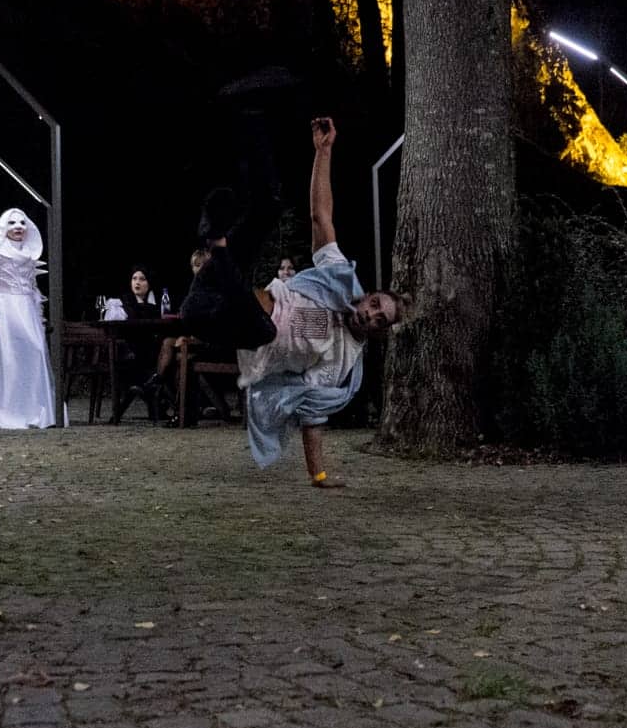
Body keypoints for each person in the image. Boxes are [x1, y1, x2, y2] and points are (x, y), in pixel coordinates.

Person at [181, 116, 406, 486]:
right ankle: (249, 118)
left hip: (221, 321)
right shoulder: (340, 281)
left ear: (379, 333)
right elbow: (321, 217)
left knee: (265, 329)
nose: (371, 315)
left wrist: (318, 473)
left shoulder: (343, 358)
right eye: (376, 305)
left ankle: (217, 248)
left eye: (380, 320)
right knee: (268, 207)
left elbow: (312, 411)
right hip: (217, 285)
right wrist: (324, 151)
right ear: (369, 296)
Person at [0, 209, 54, 430]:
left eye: (22, 223)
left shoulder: (30, 253)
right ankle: (9, 409)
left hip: (27, 307)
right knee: (9, 357)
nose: (18, 226)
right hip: (5, 308)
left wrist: (39, 313)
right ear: (4, 227)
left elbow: (33, 287)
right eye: (12, 223)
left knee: (36, 351)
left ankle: (34, 408)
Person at [110, 265, 167, 424]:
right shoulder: (126, 299)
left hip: (147, 346)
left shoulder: (154, 299)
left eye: (142, 279)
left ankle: (153, 394)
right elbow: (134, 315)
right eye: (134, 279)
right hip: (128, 348)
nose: (137, 283)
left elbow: (158, 315)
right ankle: (151, 394)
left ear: (149, 283)